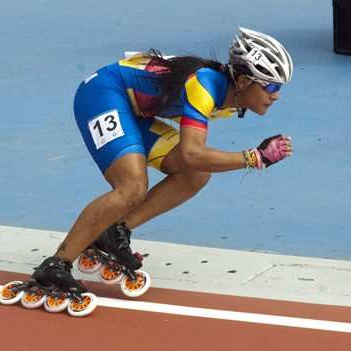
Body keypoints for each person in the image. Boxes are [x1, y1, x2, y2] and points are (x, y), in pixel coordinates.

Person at [30, 27, 295, 294]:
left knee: (196, 175)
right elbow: (192, 152)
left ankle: (113, 231)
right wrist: (255, 157)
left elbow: (193, 160)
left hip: (135, 112)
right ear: (243, 81)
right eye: (270, 86)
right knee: (131, 187)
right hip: (103, 94)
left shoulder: (228, 97)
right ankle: (56, 265)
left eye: (279, 87)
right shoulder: (204, 86)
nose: (276, 95)